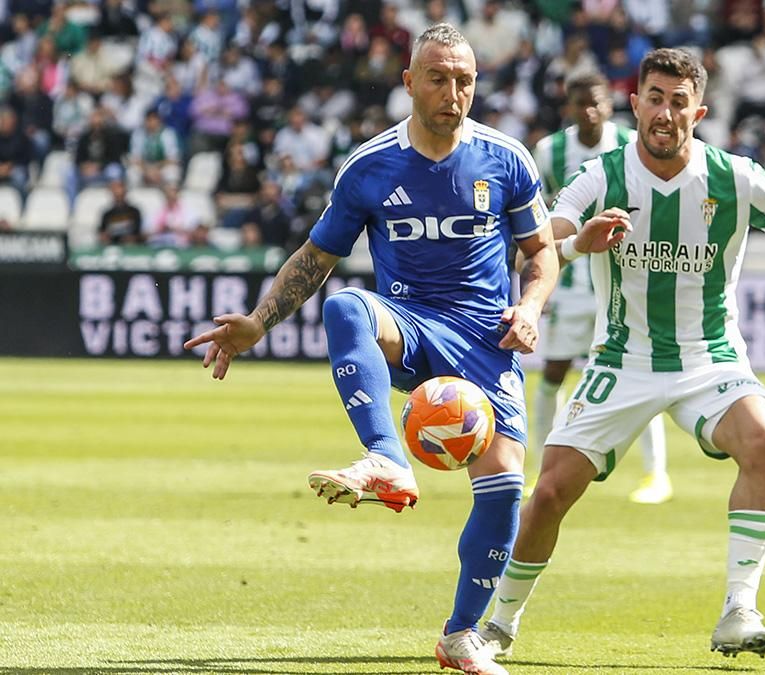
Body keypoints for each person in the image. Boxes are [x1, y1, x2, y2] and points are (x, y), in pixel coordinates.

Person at [478, 48, 765, 662]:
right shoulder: (602, 175)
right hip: (623, 358)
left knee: (764, 442)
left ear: (697, 111)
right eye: (655, 97)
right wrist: (576, 246)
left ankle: (739, 609)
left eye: (679, 101)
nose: (665, 112)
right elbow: (539, 245)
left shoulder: (736, 177)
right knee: (549, 494)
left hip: (711, 359)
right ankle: (501, 624)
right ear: (636, 103)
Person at [184, 24, 557, 675]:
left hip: (485, 342)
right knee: (345, 304)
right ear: (409, 82)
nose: (452, 91)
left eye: (464, 79)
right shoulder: (370, 165)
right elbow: (318, 256)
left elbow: (541, 253)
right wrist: (259, 321)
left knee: (503, 492)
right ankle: (387, 458)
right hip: (409, 323)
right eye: (438, 78)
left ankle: (461, 633)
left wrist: (529, 308)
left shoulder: (507, 159)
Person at [531, 71, 672, 505]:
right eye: (580, 104)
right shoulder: (549, 151)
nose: (589, 111)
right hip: (572, 281)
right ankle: (542, 470)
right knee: (553, 375)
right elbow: (536, 215)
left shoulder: (632, 145)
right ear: (569, 108)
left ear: (610, 105)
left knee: (641, 375)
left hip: (624, 282)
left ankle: (656, 475)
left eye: (596, 102)